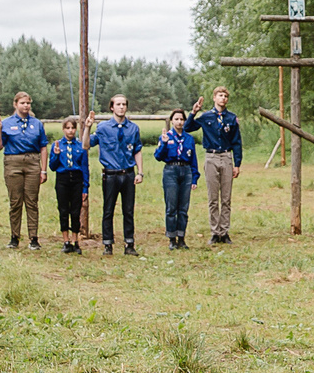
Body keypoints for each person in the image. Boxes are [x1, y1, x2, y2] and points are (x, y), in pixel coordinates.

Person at [189, 88, 243, 245]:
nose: (223, 98)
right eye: (220, 95)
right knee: (213, 198)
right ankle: (214, 231)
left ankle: (224, 232)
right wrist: (193, 113)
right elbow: (188, 128)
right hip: (211, 157)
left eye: (226, 96)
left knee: (226, 198)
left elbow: (237, 142)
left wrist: (237, 164)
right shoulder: (206, 117)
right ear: (214, 98)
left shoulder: (231, 118)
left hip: (226, 157)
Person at [0, 92, 49, 250]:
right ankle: (14, 237)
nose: (26, 106)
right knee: (15, 202)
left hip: (32, 163)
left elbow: (43, 147)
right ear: (15, 104)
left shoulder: (37, 124)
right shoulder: (6, 123)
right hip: (13, 163)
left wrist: (43, 170)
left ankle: (33, 237)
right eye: (22, 103)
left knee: (32, 202)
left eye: (28, 103)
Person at [91, 97, 143, 257]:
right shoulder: (103, 127)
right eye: (118, 104)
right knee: (108, 210)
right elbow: (87, 144)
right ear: (112, 107)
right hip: (110, 175)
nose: (121, 107)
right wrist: (87, 128)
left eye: (124, 104)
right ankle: (108, 244)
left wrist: (140, 172)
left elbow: (137, 150)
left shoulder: (133, 128)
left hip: (127, 174)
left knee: (128, 210)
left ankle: (129, 243)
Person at [154, 110, 200, 250]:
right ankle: (172, 238)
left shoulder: (189, 138)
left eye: (182, 119)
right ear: (172, 121)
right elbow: (158, 156)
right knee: (171, 207)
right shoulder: (166, 136)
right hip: (171, 171)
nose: (179, 122)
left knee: (183, 208)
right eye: (176, 119)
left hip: (185, 171)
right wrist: (164, 144)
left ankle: (181, 238)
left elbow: (193, 159)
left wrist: (194, 178)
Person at [49, 118, 90, 255]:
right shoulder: (57, 145)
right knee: (63, 209)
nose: (70, 131)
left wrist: (85, 187)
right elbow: (52, 167)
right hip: (63, 179)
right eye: (67, 128)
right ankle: (66, 241)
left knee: (76, 211)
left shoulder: (80, 146)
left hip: (76, 179)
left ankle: (75, 240)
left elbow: (85, 168)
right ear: (63, 129)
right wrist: (55, 155)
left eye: (72, 128)